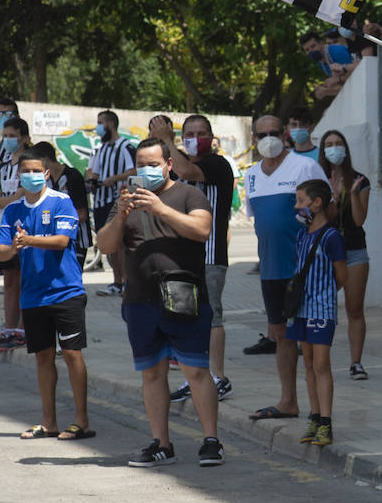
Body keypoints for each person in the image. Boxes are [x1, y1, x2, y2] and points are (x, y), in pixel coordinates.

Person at [97, 137, 224, 467]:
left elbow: (202, 230)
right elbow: (106, 245)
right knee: (151, 374)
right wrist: (121, 216)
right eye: (141, 164)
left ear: (169, 164)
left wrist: (160, 208)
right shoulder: (126, 200)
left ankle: (211, 441)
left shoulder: (188, 194)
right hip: (140, 300)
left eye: (153, 164)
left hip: (184, 296)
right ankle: (161, 444)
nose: (146, 170)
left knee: (196, 371)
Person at [0, 145, 92, 441]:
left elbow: (63, 241)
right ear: (18, 177)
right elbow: (1, 253)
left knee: (73, 355)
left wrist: (29, 240)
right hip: (33, 295)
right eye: (26, 172)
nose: (32, 176)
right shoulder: (11, 210)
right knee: (43, 358)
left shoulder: (61, 202)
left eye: (37, 171)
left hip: (65, 292)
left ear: (47, 173)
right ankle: (48, 422)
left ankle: (81, 421)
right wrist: (14, 247)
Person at [245, 114, 329, 422]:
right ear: (254, 139)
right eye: (262, 133)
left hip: (303, 270)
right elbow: (260, 220)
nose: (269, 137)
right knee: (280, 335)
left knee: (307, 340)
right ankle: (288, 401)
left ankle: (319, 409)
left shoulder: (305, 167)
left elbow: (326, 211)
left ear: (285, 135)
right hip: (270, 270)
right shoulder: (251, 174)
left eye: (274, 132)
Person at [153, 114, 236, 403]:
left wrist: (166, 139)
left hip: (210, 254)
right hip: (184, 256)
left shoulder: (216, 164)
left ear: (212, 138)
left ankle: (218, 377)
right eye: (190, 132)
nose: (195, 136)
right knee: (189, 318)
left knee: (212, 314)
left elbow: (187, 171)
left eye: (201, 132)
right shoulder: (180, 164)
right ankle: (198, 377)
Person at [287, 179, 347, 447]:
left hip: (322, 309)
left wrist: (323, 294)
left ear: (317, 203)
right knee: (308, 363)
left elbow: (341, 275)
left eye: (301, 201)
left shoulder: (332, 236)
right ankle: (314, 416)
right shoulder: (302, 234)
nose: (297, 206)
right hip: (300, 309)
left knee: (321, 364)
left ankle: (326, 421)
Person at [318, 130, 372, 380]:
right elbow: (321, 219)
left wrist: (349, 194)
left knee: (354, 309)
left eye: (339, 143)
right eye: (329, 144)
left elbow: (360, 220)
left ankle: (356, 362)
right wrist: (332, 196)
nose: (334, 148)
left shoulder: (360, 180)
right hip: (326, 252)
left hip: (354, 250)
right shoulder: (317, 179)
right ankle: (317, 360)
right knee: (320, 307)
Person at [0, 117, 33, 356]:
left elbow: (20, 195)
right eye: (5, 136)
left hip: (24, 227)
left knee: (25, 279)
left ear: (23, 138)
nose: (8, 140)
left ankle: (24, 329)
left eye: (12, 135)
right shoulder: (3, 165)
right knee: (9, 280)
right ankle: (10, 326)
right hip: (3, 227)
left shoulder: (29, 163)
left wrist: (2, 201)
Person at [87, 109, 136, 296]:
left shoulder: (125, 146)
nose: (98, 127)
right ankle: (116, 280)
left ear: (111, 124)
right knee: (107, 243)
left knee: (121, 243)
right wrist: (92, 181)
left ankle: (126, 281)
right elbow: (96, 173)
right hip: (100, 200)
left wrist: (114, 178)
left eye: (101, 123)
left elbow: (133, 171)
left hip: (115, 200)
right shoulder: (103, 148)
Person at [33, 141, 91, 272]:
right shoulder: (43, 180)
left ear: (46, 159)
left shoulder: (72, 176)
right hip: (51, 239)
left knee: (70, 279)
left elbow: (81, 214)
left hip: (75, 239)